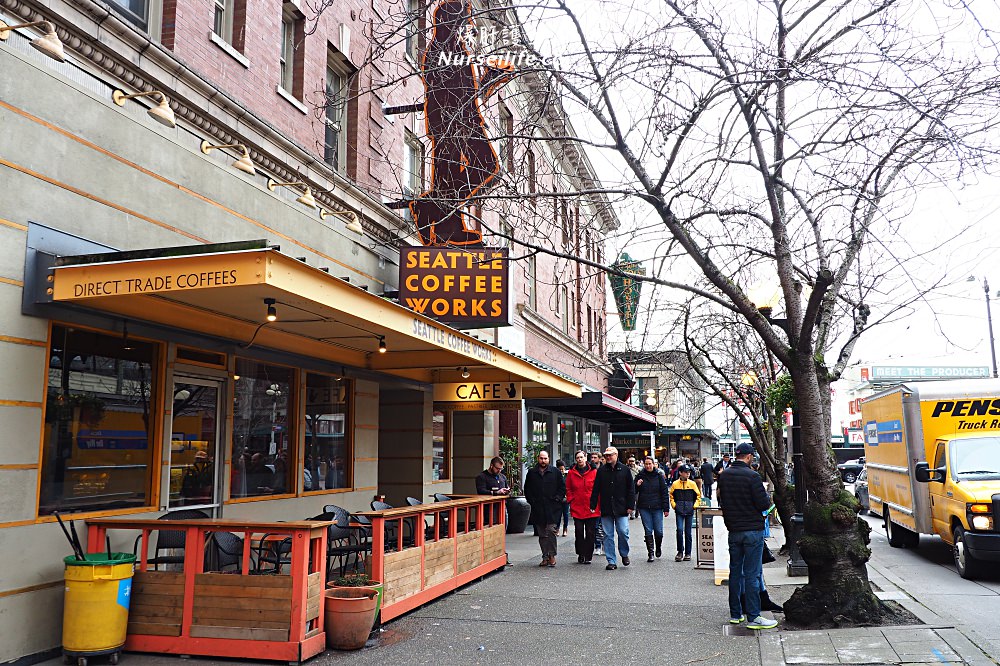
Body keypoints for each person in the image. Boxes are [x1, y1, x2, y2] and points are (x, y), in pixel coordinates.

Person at [717, 442, 778, 630]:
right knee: (752, 574)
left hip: (734, 530)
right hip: (752, 530)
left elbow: (721, 499)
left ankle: (735, 614)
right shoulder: (753, 476)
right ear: (750, 457)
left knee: (735, 572)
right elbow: (763, 504)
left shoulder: (724, 476)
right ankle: (754, 616)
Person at [589, 446, 636, 570]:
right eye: (606, 455)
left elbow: (631, 489)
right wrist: (593, 504)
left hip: (622, 507)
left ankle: (624, 554)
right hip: (606, 507)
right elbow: (596, 489)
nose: (608, 457)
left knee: (623, 532)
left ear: (616, 455)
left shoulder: (625, 470)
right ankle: (611, 560)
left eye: (610, 455)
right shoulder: (602, 471)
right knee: (607, 535)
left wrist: (631, 506)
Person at [524, 450, 566, 567]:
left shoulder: (555, 472)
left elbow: (562, 487)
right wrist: (532, 501)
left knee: (551, 531)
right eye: (541, 458)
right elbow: (527, 488)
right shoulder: (532, 472)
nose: (543, 461)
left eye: (545, 458)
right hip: (538, 508)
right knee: (542, 534)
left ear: (549, 459)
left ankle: (552, 555)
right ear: (538, 458)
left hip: (552, 508)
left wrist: (557, 498)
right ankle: (545, 556)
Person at [565, 450, 600, 563]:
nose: (580, 459)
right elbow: (568, 488)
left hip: (591, 507)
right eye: (577, 458)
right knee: (579, 531)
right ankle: (580, 553)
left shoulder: (594, 472)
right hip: (577, 506)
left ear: (586, 458)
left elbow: (598, 489)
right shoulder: (571, 472)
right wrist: (571, 499)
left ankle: (588, 555)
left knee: (590, 533)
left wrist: (597, 503)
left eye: (581, 457)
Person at [634, 456, 669, 562]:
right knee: (648, 530)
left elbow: (664, 492)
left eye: (650, 464)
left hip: (657, 506)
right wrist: (637, 485)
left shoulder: (659, 476)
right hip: (644, 506)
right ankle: (651, 552)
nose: (648, 466)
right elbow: (633, 490)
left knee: (659, 531)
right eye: (646, 464)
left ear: (654, 464)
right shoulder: (640, 475)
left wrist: (666, 508)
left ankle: (658, 546)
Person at [669, 464, 701, 561]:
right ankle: (680, 551)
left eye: (688, 472)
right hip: (679, 510)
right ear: (680, 473)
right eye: (686, 472)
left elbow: (698, 496)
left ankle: (688, 553)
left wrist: (694, 506)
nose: (688, 474)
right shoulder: (675, 484)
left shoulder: (692, 484)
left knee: (688, 532)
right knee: (679, 530)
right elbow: (671, 496)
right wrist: (674, 505)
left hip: (689, 509)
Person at [555, 459, 570, 536]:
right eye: (560, 469)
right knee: (558, 514)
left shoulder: (567, 476)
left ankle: (565, 529)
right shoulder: (555, 476)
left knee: (566, 514)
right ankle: (557, 529)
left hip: (566, 498)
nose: (561, 471)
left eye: (562, 469)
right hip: (558, 498)